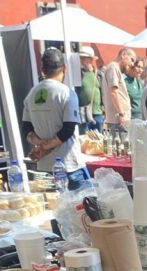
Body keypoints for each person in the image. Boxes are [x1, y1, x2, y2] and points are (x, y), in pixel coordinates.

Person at [22, 48, 85, 189]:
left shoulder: (31, 94)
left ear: (42, 69)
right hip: (69, 165)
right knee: (78, 208)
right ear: (64, 68)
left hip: (44, 167)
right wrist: (46, 146)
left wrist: (39, 143)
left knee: (53, 208)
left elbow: (26, 129)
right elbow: (68, 129)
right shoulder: (67, 93)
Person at [103, 47, 135, 132]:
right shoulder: (113, 67)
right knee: (120, 145)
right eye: (131, 60)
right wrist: (121, 114)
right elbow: (113, 92)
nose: (132, 64)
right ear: (123, 55)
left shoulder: (114, 68)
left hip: (118, 121)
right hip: (117, 121)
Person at [77, 47, 103, 134]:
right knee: (84, 141)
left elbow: (103, 93)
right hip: (83, 114)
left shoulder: (99, 74)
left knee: (99, 142)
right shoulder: (78, 75)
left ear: (91, 59)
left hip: (97, 113)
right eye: (81, 57)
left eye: (84, 58)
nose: (81, 60)